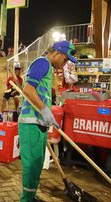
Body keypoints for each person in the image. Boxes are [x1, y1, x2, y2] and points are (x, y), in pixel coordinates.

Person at [18, 40, 77, 201]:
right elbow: (28, 89)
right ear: (57, 53)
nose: (65, 64)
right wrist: (44, 110)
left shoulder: (47, 67)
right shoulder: (42, 63)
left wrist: (46, 115)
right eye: (65, 60)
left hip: (38, 124)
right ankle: (26, 199)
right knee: (31, 166)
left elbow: (37, 92)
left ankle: (30, 195)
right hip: (30, 123)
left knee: (36, 165)